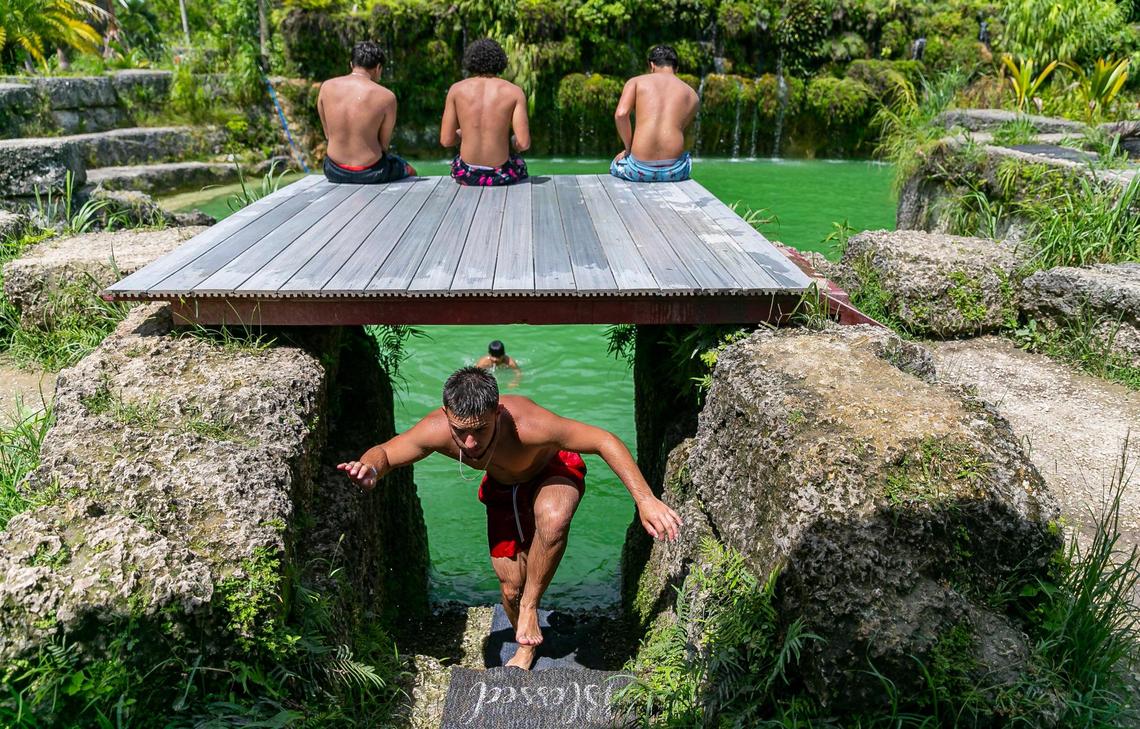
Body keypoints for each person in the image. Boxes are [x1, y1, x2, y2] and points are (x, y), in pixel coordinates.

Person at [338, 367, 682, 670]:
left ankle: (532, 610)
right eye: (461, 431)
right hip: (504, 491)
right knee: (510, 587)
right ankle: (526, 637)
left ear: (498, 411)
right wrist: (369, 468)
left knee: (553, 516)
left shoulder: (529, 426)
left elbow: (604, 440)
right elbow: (384, 452)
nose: (470, 443)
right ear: (446, 415)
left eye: (481, 430)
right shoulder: (437, 430)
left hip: (551, 472)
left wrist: (645, 499)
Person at [318, 41, 416, 185]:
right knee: (410, 170)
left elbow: (328, 135)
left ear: (352, 64)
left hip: (333, 170)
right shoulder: (387, 96)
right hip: (371, 172)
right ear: (378, 68)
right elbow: (383, 146)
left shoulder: (326, 87)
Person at [440, 39, 531, 186]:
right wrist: (512, 141)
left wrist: (463, 134)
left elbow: (446, 140)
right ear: (500, 61)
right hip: (500, 175)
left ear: (471, 60)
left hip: (467, 174)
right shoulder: (514, 92)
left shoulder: (456, 90)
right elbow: (524, 143)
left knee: (457, 162)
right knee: (518, 163)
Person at [611, 45, 700, 183]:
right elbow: (682, 129)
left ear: (651, 65)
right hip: (675, 171)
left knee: (615, 165)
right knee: (686, 157)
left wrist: (628, 149)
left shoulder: (635, 82)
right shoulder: (692, 94)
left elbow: (621, 114)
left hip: (638, 170)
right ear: (676, 68)